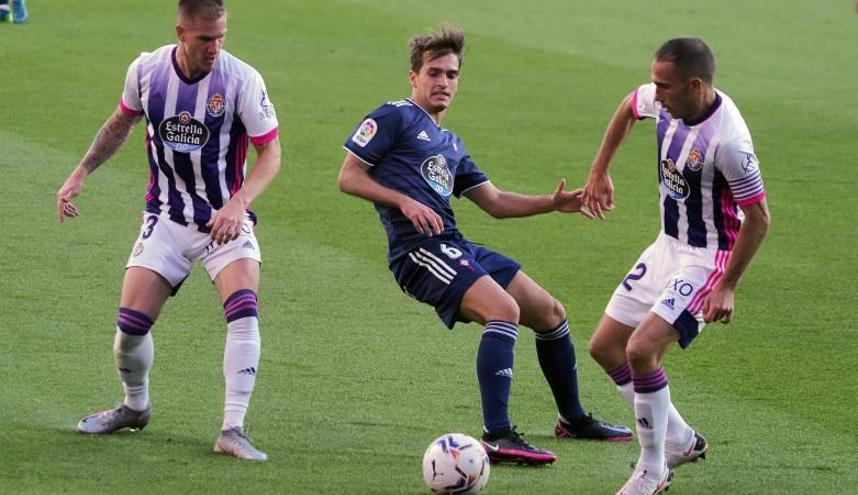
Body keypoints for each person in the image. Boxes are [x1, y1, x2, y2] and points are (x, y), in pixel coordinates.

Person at [338, 24, 632, 466]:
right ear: (414, 76)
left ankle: (572, 419)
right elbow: (348, 176)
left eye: (452, 74)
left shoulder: (451, 143)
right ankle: (497, 435)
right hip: (418, 252)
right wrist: (403, 200)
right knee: (504, 310)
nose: (443, 82)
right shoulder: (392, 117)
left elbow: (494, 202)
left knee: (550, 313)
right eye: (434, 73)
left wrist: (551, 204)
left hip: (455, 245)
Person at [56, 0, 281, 462]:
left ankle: (232, 429)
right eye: (204, 39)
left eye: (221, 37)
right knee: (129, 329)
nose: (215, 47)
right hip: (168, 217)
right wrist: (80, 172)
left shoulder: (242, 79)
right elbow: (120, 123)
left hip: (225, 221)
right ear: (181, 32)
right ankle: (134, 407)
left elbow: (271, 153)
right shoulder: (147, 71)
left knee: (244, 311)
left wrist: (239, 203)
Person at [580, 37, 770, 493]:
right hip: (667, 245)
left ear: (695, 85)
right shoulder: (666, 100)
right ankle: (681, 439)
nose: (655, 94)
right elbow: (629, 107)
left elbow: (760, 220)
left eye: (664, 87)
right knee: (605, 347)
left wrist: (727, 286)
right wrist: (599, 170)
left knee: (641, 350)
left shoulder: (729, 142)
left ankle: (652, 467)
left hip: (709, 258)